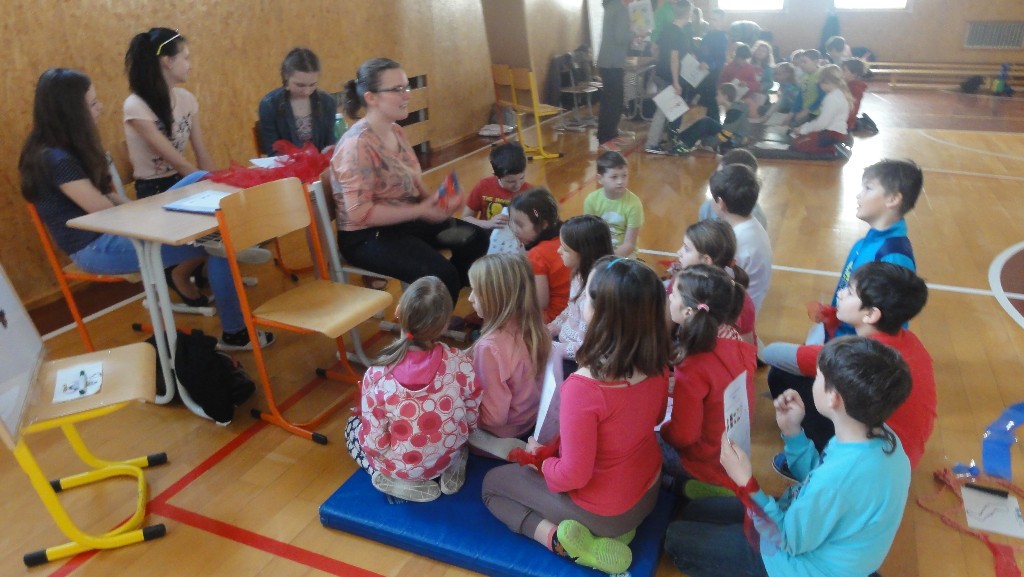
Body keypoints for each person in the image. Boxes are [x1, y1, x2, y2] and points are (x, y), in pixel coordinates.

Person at [19, 68, 271, 351]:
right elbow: (103, 212)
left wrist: (143, 209)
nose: (100, 107)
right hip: (98, 246)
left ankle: (230, 238)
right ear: (70, 112)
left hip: (117, 229)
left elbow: (109, 198)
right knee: (219, 246)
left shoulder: (65, 149)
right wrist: (150, 215)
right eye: (92, 103)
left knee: (200, 178)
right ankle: (236, 334)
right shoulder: (55, 159)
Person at [482, 257, 670, 575]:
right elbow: (653, 419)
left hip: (608, 513)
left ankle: (562, 541)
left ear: (600, 313)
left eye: (587, 294)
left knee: (492, 485)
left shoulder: (585, 387)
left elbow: (572, 476)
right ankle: (617, 533)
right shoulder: (657, 361)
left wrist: (540, 462)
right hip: (649, 490)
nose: (580, 298)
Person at [664, 336, 912, 577]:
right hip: (804, 523)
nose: (813, 380)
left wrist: (746, 483)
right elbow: (818, 478)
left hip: (796, 561)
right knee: (694, 511)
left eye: (818, 376)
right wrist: (793, 433)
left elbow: (786, 539)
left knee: (675, 539)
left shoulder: (838, 479)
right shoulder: (876, 435)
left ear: (833, 398)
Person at [331, 57, 487, 304]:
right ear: (371, 98)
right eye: (397, 89)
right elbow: (359, 213)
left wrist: (436, 201)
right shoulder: (356, 145)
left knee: (477, 238)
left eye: (407, 87)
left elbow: (412, 180)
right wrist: (421, 210)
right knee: (440, 275)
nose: (407, 95)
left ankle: (440, 302)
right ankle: (434, 311)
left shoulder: (396, 131)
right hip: (367, 236)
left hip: (405, 221)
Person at [764, 263, 936, 465]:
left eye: (851, 292)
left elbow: (770, 353)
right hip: (900, 455)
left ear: (871, 314)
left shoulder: (855, 354)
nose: (841, 293)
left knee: (782, 374)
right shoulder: (909, 341)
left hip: (869, 461)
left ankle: (813, 459)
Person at [344, 276, 481, 503]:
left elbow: (374, 443)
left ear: (399, 311)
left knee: (352, 428)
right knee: (455, 438)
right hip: (448, 453)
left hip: (404, 468)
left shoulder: (378, 376)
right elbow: (472, 413)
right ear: (445, 325)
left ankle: (392, 479)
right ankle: (452, 467)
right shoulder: (459, 362)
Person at [661, 265, 756, 493]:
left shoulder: (694, 362)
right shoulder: (735, 339)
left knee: (642, 438)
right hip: (730, 455)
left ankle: (683, 487)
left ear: (688, 312)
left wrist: (662, 429)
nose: (669, 297)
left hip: (701, 464)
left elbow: (684, 436)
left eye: (674, 294)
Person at [466, 253, 550, 456]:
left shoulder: (489, 348)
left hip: (500, 431)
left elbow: (494, 417)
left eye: (476, 292)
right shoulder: (536, 327)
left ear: (497, 299)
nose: (470, 298)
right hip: (529, 419)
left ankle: (481, 449)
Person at [123, 28, 214, 198]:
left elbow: (201, 153)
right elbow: (179, 163)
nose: (190, 66)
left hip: (182, 180)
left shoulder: (187, 99)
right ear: (168, 61)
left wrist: (218, 183)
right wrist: (207, 184)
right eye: (186, 58)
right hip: (154, 189)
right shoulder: (136, 105)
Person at [671, 220, 756, 345]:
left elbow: (745, 347)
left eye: (686, 249)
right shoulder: (738, 294)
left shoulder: (681, 286)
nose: (679, 252)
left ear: (706, 260)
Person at [549, 215, 614, 377]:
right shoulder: (578, 275)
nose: (558, 251)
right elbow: (571, 309)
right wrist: (552, 328)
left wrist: (554, 348)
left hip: (578, 360)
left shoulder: (596, 294)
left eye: (565, 249)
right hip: (564, 344)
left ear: (585, 253)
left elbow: (588, 348)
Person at [709, 165, 772, 313]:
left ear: (720, 203)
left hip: (735, 312)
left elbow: (716, 286)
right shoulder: (752, 225)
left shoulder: (735, 241)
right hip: (747, 304)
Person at [257, 47, 340, 156]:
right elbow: (273, 150)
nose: (307, 91)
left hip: (319, 163)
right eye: (300, 85)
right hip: (286, 164)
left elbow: (329, 142)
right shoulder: (270, 105)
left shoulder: (327, 102)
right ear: (286, 77)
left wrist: (330, 150)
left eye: (312, 85)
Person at [509, 188, 570, 323]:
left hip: (555, 318)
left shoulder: (537, 255)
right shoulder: (568, 238)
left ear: (543, 225)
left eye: (520, 225)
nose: (514, 229)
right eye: (512, 221)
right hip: (576, 312)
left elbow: (540, 303)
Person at [644, 1, 692, 154]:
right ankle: (651, 144)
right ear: (688, 13)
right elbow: (674, 59)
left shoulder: (667, 29)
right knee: (662, 111)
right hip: (669, 76)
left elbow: (656, 48)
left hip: (661, 72)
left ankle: (667, 139)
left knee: (671, 110)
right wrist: (676, 82)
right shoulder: (678, 34)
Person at [583, 151, 644, 257]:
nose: (620, 181)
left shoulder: (634, 204)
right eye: (614, 177)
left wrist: (609, 260)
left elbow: (629, 245)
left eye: (624, 176)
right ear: (600, 179)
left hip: (624, 254)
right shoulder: (591, 200)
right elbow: (589, 235)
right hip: (599, 251)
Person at [461, 142, 531, 231]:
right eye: (511, 181)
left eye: (522, 178)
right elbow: (465, 218)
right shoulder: (483, 186)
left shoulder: (530, 192)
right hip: (486, 236)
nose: (518, 185)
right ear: (497, 176)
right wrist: (488, 224)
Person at [697, 149, 767, 229]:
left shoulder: (755, 221)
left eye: (721, 177)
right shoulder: (708, 208)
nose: (716, 181)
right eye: (717, 174)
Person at [789, 64, 852, 155]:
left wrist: (802, 130)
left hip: (831, 135)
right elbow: (821, 120)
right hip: (833, 133)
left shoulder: (832, 98)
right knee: (798, 140)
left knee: (796, 145)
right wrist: (803, 127)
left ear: (825, 81)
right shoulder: (838, 94)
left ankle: (831, 149)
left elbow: (822, 124)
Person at [669, 83, 747, 155]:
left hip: (734, 143)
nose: (716, 97)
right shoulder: (734, 108)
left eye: (718, 95)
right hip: (732, 138)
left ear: (725, 96)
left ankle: (684, 146)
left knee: (706, 123)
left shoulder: (735, 112)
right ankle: (681, 140)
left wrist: (708, 144)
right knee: (707, 121)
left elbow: (724, 136)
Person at [596, 0, 633, 152]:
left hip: (611, 62)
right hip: (611, 63)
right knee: (611, 102)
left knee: (616, 100)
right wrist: (636, 33)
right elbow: (620, 37)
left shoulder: (613, 6)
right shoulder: (620, 8)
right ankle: (604, 138)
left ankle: (612, 134)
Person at [791, 49, 824, 125]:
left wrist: (806, 111)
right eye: (801, 62)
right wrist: (792, 113)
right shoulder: (804, 75)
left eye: (805, 62)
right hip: (807, 112)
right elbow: (800, 95)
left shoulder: (821, 74)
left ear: (815, 61)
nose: (801, 64)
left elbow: (822, 97)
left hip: (817, 114)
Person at [841, 58, 869, 133]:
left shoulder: (855, 89)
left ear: (854, 74)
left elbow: (851, 109)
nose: (841, 72)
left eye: (844, 70)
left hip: (845, 123)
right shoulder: (847, 84)